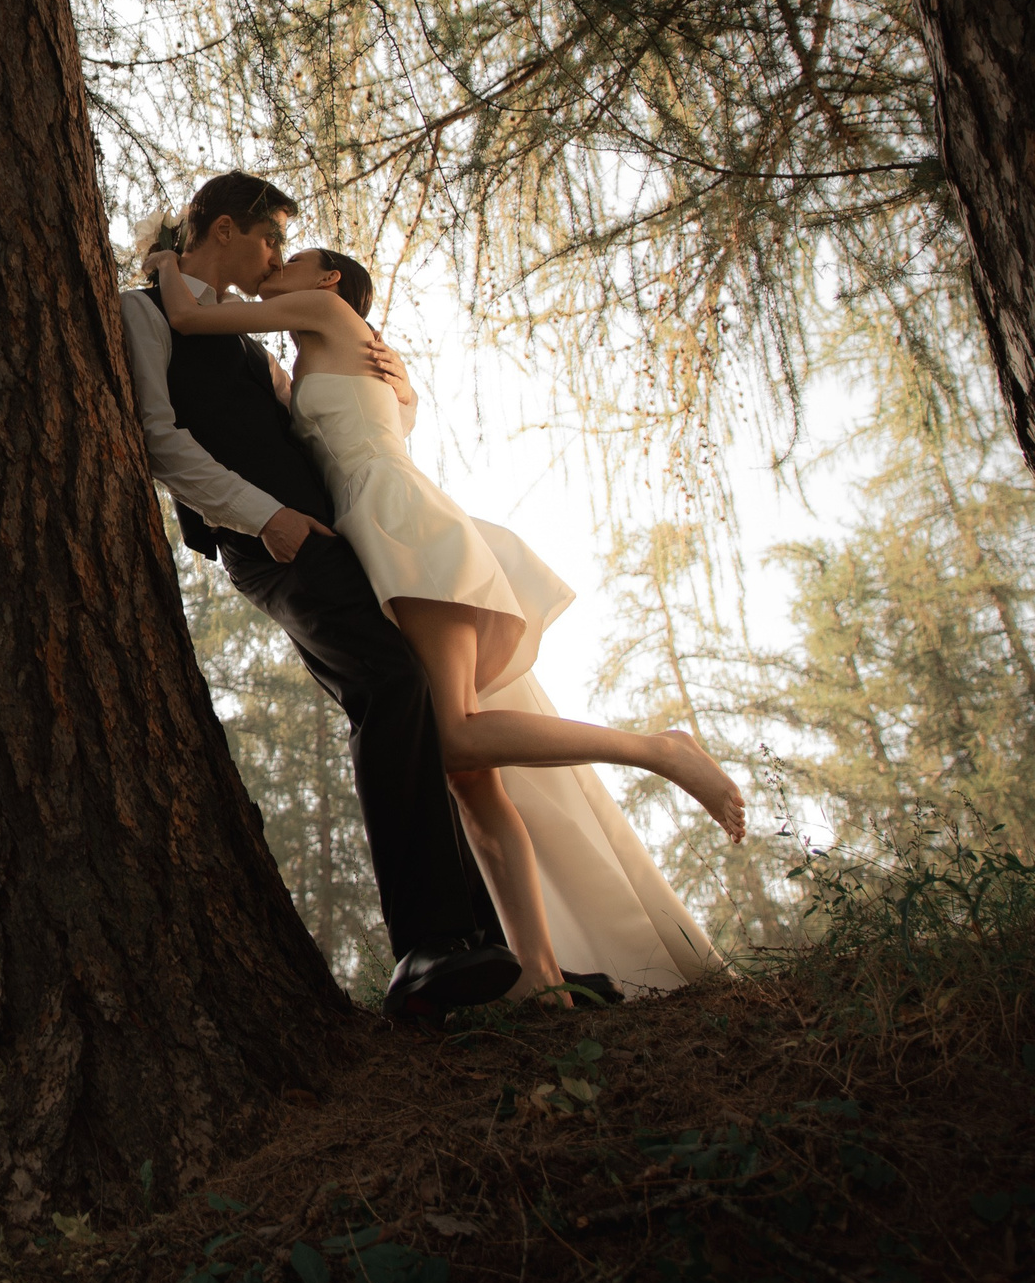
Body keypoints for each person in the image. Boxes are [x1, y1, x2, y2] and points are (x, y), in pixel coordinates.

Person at [142, 235, 735, 1003]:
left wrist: (159, 264)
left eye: (288, 260)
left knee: (451, 732)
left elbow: (189, 317)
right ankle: (542, 977)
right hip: (375, 529)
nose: (273, 269)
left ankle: (659, 749)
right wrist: (406, 391)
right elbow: (361, 416)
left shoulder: (321, 308)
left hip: (401, 523)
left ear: (327, 279)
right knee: (469, 777)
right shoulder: (313, 355)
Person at [119, 172, 521, 1018]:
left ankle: (474, 945)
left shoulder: (256, 347)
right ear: (226, 229)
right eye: (270, 241)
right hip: (276, 544)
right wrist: (268, 520)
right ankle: (426, 948)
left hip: (336, 540)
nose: (272, 261)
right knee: (392, 688)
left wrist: (399, 383)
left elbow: (329, 429)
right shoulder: (143, 310)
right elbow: (161, 441)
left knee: (404, 697)